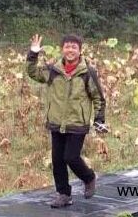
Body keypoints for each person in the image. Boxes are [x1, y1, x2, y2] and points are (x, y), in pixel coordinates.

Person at [27, 34, 106, 208]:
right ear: (62, 49)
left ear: (80, 51)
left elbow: (98, 97)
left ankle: (89, 177)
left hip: (77, 123)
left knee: (71, 157)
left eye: (74, 47)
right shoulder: (53, 70)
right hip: (56, 122)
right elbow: (33, 73)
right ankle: (64, 194)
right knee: (57, 160)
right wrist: (33, 53)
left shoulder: (88, 72)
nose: (70, 50)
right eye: (67, 47)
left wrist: (99, 119)